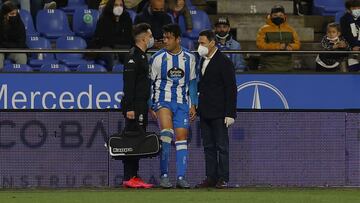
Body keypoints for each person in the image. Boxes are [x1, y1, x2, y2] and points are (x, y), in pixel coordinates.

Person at [149, 23, 197, 189]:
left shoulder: (189, 58)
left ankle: (181, 177)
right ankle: (163, 176)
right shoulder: (157, 58)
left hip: (182, 104)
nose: (165, 41)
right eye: (164, 38)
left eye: (169, 38)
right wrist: (150, 105)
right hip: (163, 101)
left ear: (178, 39)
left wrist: (193, 104)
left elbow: (192, 83)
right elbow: (150, 83)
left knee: (182, 139)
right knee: (167, 134)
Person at [195, 30, 237, 189]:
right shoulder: (202, 60)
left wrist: (230, 113)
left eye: (202, 43)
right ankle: (210, 177)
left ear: (212, 43)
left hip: (220, 113)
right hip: (205, 112)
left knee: (222, 147)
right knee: (208, 147)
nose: (200, 46)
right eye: (199, 43)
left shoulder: (224, 62)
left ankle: (223, 178)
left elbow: (231, 88)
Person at [121, 23, 154, 188]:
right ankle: (129, 176)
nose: (151, 39)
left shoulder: (142, 55)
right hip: (134, 106)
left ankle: (133, 176)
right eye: (149, 36)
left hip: (141, 104)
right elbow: (129, 84)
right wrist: (129, 108)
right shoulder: (133, 55)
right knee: (132, 140)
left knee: (138, 140)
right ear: (142, 38)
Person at [89, 0, 133, 70]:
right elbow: (102, 39)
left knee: (132, 55)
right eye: (116, 5)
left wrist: (116, 42)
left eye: (121, 5)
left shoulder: (127, 19)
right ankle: (114, 75)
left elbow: (129, 38)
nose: (119, 7)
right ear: (111, 6)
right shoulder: (103, 19)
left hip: (122, 48)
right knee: (112, 54)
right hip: (106, 48)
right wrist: (116, 42)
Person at [256, 5, 300, 71]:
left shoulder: (290, 29)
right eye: (275, 15)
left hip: (287, 66)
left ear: (284, 16)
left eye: (280, 15)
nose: (278, 17)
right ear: (271, 16)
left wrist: (290, 46)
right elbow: (260, 45)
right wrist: (278, 46)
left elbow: (297, 44)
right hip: (268, 66)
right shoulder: (263, 29)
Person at [0, 1, 27, 70]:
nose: (15, 15)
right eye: (12, 14)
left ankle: (21, 78)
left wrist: (6, 45)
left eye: (16, 13)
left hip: (14, 49)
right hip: (1, 50)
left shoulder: (19, 24)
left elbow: (21, 43)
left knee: (22, 56)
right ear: (5, 15)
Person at [340, 0, 360, 71]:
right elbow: (346, 34)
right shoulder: (344, 19)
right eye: (354, 8)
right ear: (348, 9)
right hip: (351, 48)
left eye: (359, 8)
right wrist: (354, 45)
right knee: (353, 69)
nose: (357, 10)